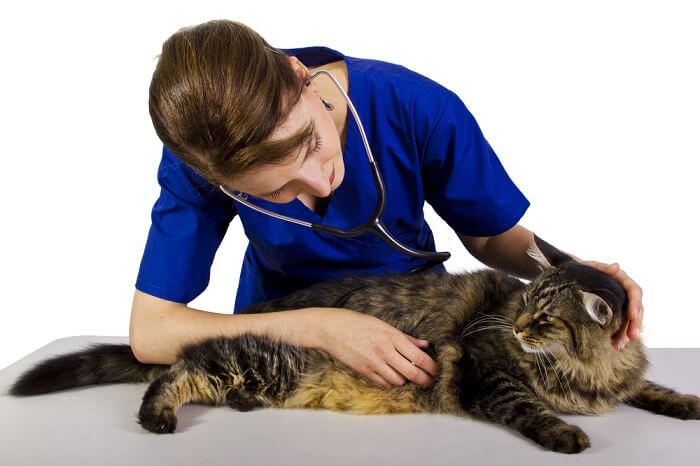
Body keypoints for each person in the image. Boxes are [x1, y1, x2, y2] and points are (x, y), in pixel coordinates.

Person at [130, 20, 644, 389]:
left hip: (419, 341)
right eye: (273, 191)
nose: (320, 181)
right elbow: (152, 331)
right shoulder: (200, 159)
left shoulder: (415, 106)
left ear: (298, 75)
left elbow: (489, 235)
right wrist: (316, 327)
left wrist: (573, 274)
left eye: (311, 142)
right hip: (281, 347)